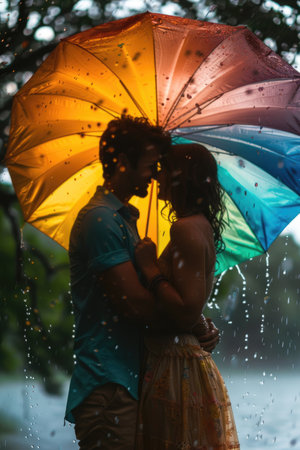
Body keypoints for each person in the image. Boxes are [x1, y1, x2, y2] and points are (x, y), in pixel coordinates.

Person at [64, 117, 220, 449]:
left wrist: (196, 318)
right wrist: (192, 321)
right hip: (109, 383)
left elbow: (163, 299)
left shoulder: (124, 221)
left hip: (132, 378)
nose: (157, 175)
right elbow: (136, 304)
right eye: (152, 166)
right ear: (122, 163)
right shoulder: (100, 220)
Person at [135, 143, 240, 449]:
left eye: (163, 170)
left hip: (175, 367)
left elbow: (187, 309)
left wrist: (150, 268)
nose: (157, 179)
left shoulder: (185, 229)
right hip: (179, 362)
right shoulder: (199, 226)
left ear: (180, 178)